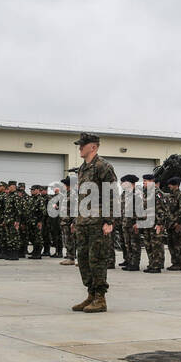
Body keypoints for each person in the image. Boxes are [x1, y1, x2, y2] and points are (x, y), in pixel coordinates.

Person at [70, 133, 117, 312]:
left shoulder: (103, 166)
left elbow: (111, 194)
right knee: (83, 259)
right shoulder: (82, 168)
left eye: (83, 144)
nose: (79, 147)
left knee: (96, 259)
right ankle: (90, 294)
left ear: (93, 147)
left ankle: (100, 298)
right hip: (84, 222)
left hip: (98, 222)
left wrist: (109, 220)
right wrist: (76, 219)